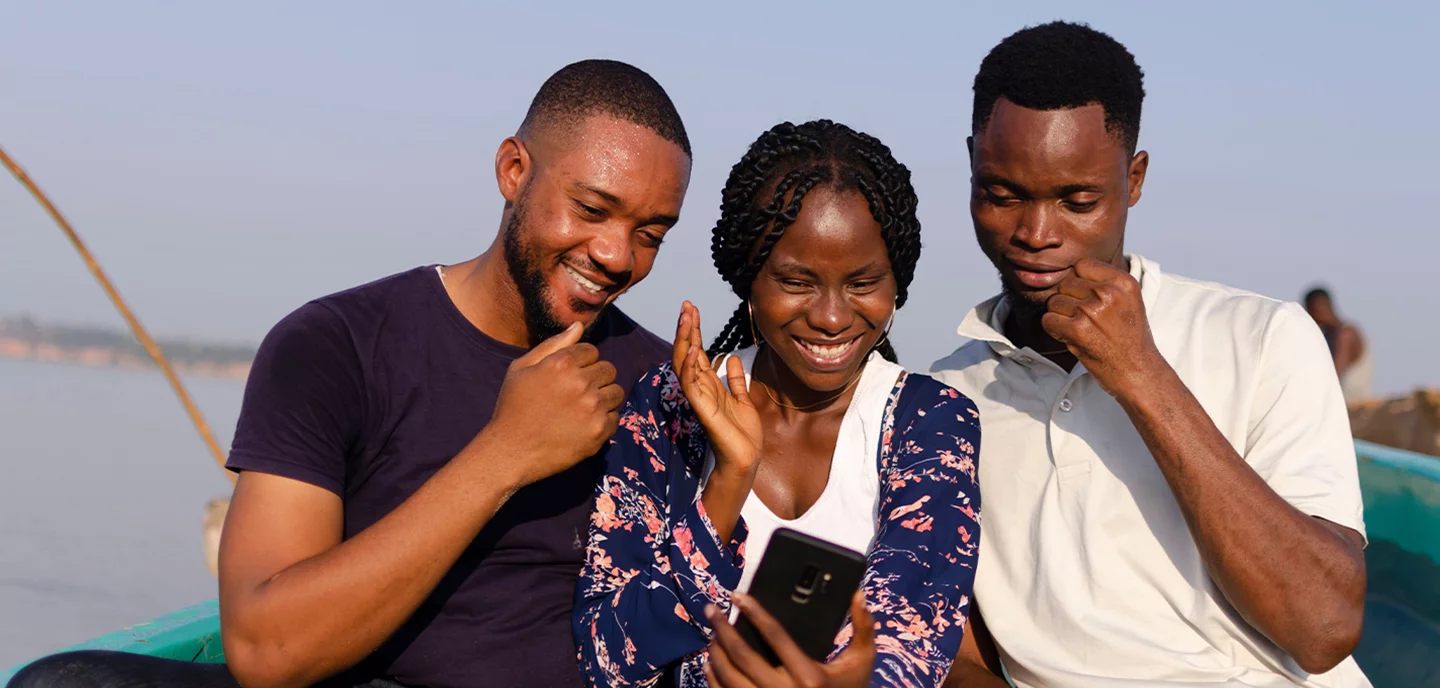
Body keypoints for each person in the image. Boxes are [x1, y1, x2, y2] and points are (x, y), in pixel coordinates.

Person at [9, 59, 691, 688]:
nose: (616, 255)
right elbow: (264, 651)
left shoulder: (663, 387)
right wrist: (505, 455)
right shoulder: (334, 345)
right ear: (514, 170)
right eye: (592, 209)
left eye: (651, 234)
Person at [932, 22, 1371, 688]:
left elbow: (1323, 628)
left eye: (1078, 201)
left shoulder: (1263, 336)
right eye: (1002, 195)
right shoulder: (940, 401)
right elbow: (955, 652)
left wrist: (1142, 376)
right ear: (971, 165)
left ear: (1133, 179)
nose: (1036, 234)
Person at [574, 120, 983, 688]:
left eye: (864, 283)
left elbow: (907, 650)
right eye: (797, 281)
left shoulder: (931, 422)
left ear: (899, 283)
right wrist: (728, 482)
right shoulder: (670, 404)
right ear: (749, 281)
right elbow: (606, 660)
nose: (832, 317)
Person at [1304, 286, 1374, 404]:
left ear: (1319, 308)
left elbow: (1334, 375)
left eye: (1310, 311)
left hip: (1350, 404)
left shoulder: (1345, 334)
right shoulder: (1329, 335)